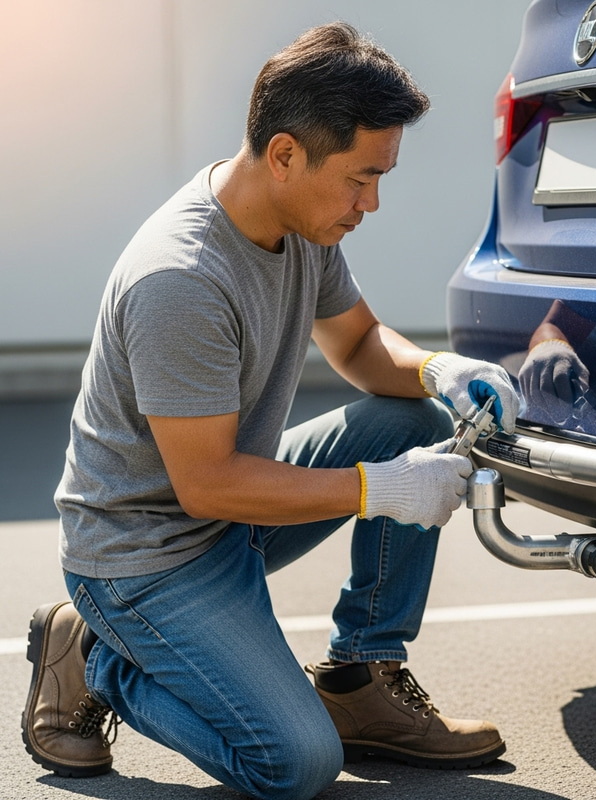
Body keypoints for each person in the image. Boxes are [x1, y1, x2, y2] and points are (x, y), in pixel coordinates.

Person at [21, 21, 519, 800]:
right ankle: (99, 659)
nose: (373, 203)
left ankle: (363, 680)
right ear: (285, 154)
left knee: (413, 419)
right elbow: (208, 486)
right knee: (293, 765)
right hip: (144, 558)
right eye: (361, 179)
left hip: (226, 515)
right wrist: (381, 490)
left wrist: (437, 369)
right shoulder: (180, 279)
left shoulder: (301, 220)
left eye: (381, 177)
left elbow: (357, 345)